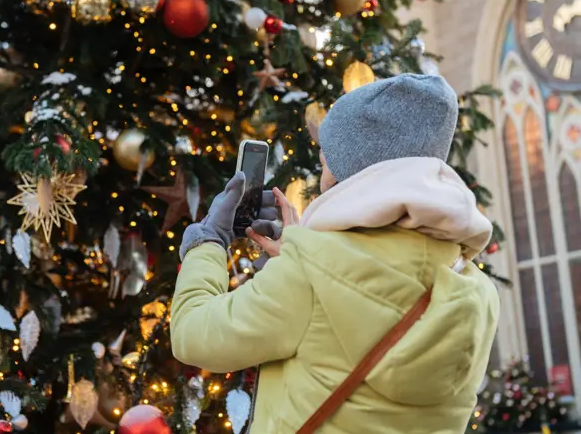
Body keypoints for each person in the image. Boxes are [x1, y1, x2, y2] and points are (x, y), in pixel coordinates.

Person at [171, 74, 500, 433]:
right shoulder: (476, 290)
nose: (322, 164)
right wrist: (301, 250)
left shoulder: (310, 273)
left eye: (327, 155)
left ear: (354, 166)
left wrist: (208, 241)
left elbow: (193, 335)